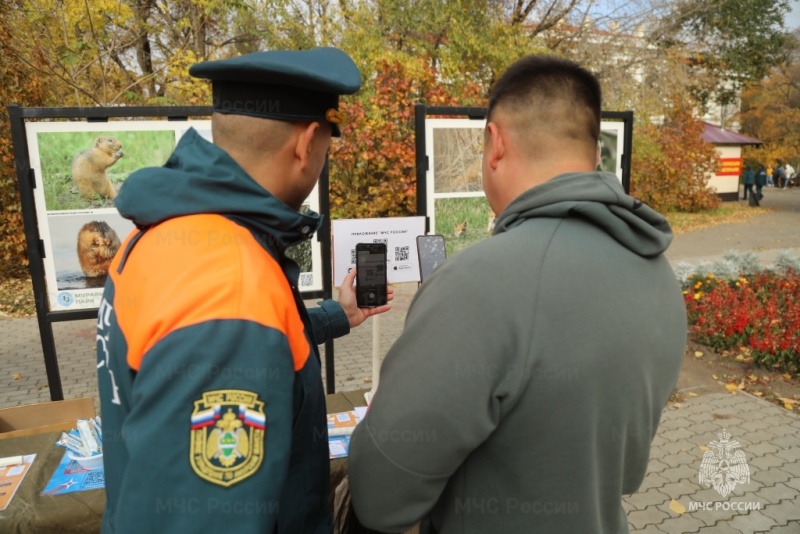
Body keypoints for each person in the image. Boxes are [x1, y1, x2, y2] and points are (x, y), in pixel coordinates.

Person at [348, 55, 686, 533]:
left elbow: (382, 494)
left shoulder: (477, 282)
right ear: (594, 155)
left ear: (495, 142)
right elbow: (624, 471)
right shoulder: (656, 271)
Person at [96, 47, 392, 533]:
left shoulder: (170, 233)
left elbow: (250, 335)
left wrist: (336, 315)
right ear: (307, 143)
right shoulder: (228, 282)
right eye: (327, 146)